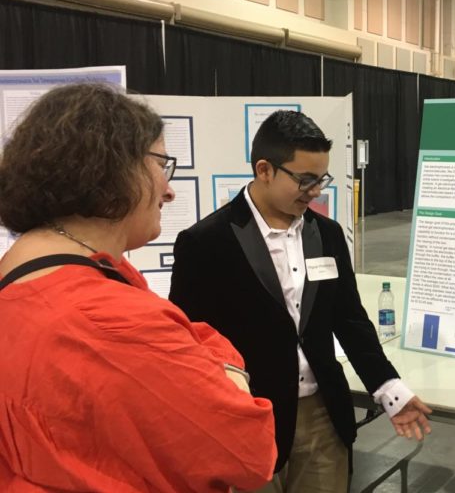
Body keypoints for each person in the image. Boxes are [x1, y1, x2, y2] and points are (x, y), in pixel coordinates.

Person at [0, 83, 277, 492]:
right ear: (109, 167)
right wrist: (226, 367)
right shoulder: (112, 321)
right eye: (160, 165)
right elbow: (250, 451)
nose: (168, 190)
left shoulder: (22, 276)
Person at [169, 110, 432, 493]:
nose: (316, 191)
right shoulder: (206, 242)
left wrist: (390, 389)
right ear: (264, 170)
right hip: (247, 419)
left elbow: (350, 320)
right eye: (305, 180)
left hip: (323, 417)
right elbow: (189, 342)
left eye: (321, 179)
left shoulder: (325, 234)